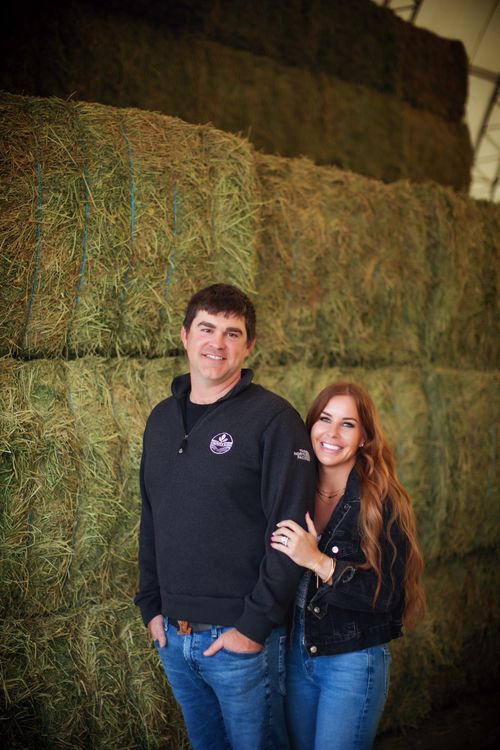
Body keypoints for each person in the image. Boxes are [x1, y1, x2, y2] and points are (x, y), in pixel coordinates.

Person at [134, 283, 316, 750]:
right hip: (174, 635)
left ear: (249, 345)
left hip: (241, 639)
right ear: (184, 335)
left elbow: (291, 531)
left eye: (232, 333)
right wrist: (152, 606)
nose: (218, 343)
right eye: (207, 328)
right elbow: (151, 516)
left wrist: (253, 627)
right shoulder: (160, 420)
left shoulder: (274, 420)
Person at [271, 381, 426, 750]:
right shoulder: (292, 492)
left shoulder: (382, 502)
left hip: (352, 661)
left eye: (348, 424)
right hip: (296, 654)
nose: (332, 433)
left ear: (364, 438)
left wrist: (319, 562)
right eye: (325, 419)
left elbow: (387, 596)